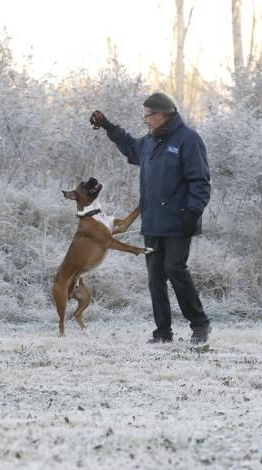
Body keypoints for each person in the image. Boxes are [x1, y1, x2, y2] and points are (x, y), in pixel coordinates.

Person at [90, 92, 211, 344]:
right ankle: (162, 333)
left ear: (160, 115)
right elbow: (129, 147)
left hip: (180, 221)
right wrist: (108, 126)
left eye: (146, 115)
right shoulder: (149, 142)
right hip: (153, 221)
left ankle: (200, 325)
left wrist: (193, 213)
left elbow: (200, 181)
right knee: (155, 276)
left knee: (175, 269)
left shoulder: (188, 140)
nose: (144, 120)